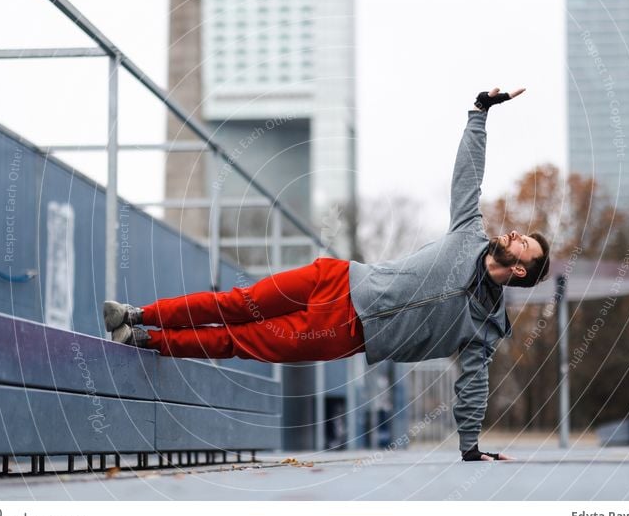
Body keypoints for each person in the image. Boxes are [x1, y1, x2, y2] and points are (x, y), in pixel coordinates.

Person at [104, 87, 551, 462]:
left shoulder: (484, 327)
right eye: (520, 235)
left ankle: (146, 340)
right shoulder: (467, 234)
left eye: (523, 244)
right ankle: (139, 313)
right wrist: (479, 115)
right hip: (337, 279)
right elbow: (467, 179)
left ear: (518, 268)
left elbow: (472, 381)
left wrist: (470, 447)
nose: (513, 234)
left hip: (344, 330)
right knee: (236, 304)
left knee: (237, 338)